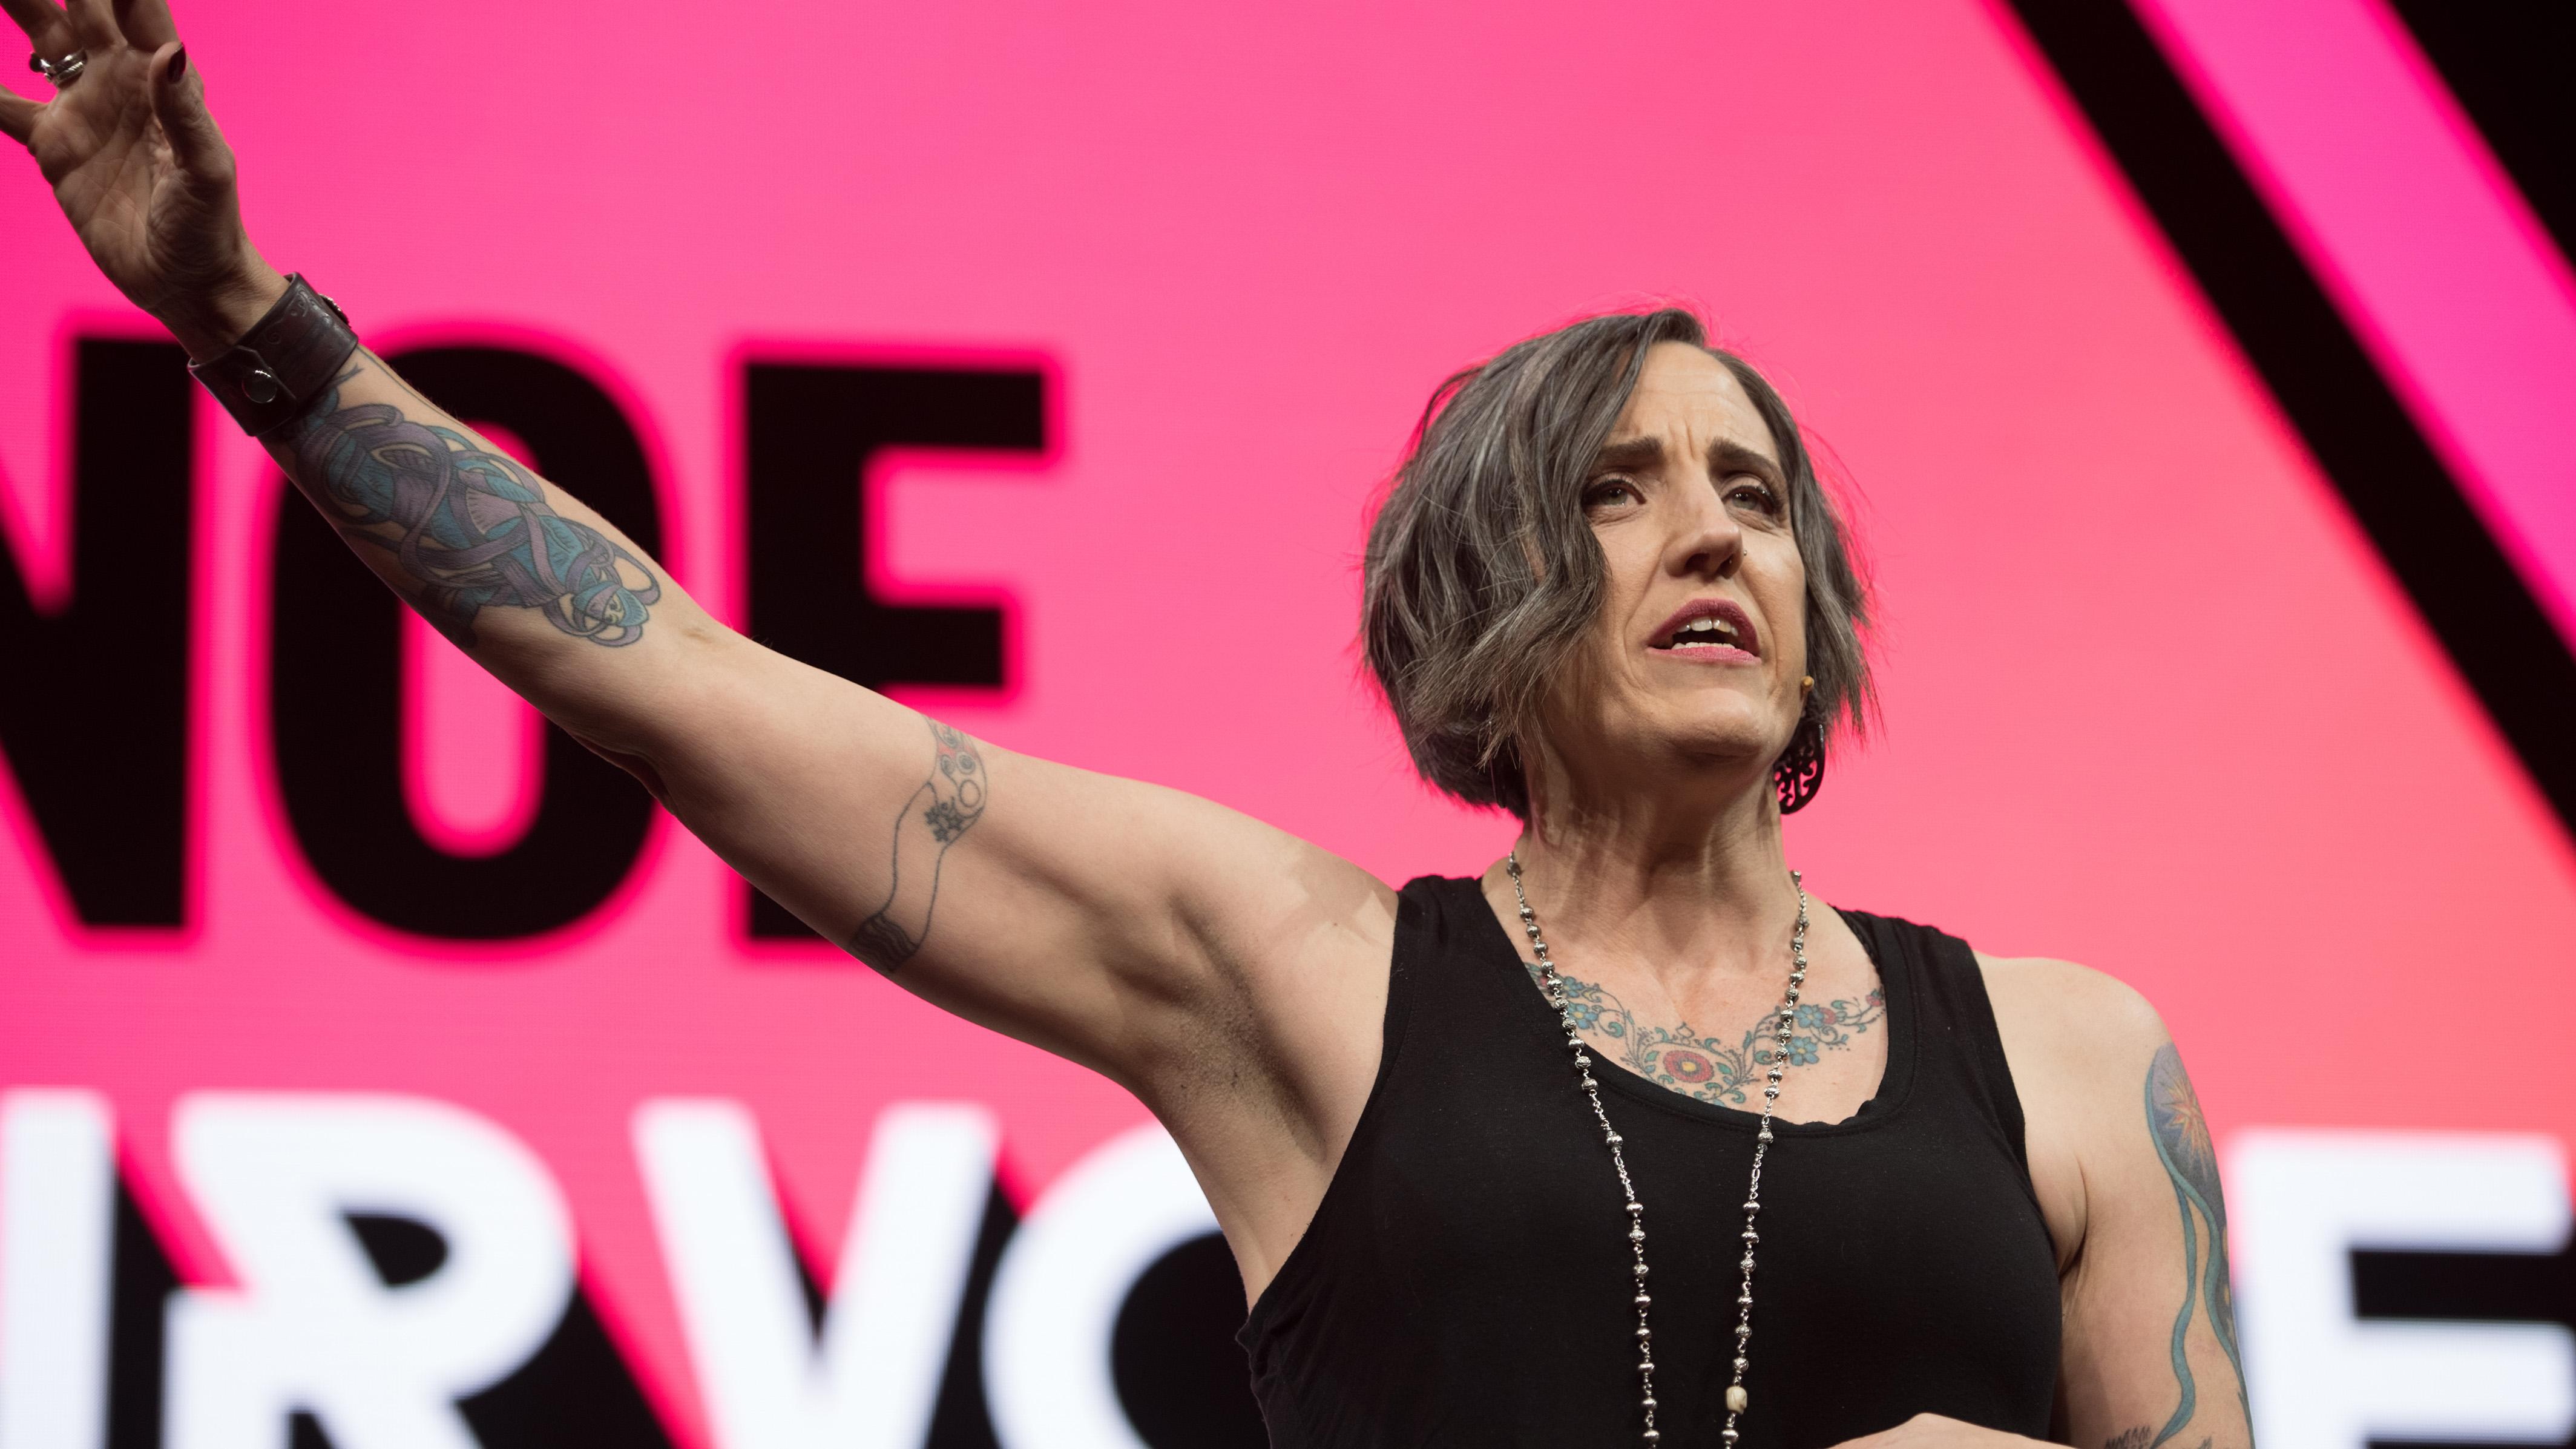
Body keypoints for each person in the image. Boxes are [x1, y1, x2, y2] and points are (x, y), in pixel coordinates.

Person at [2, 4, 2254, 1445]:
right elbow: (676, 678)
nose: (1712, 537)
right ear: (1487, 594)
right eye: (1618, 489)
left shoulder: (2073, 1064)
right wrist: (247, 324)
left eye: (1756, 496)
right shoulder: (1310, 979)